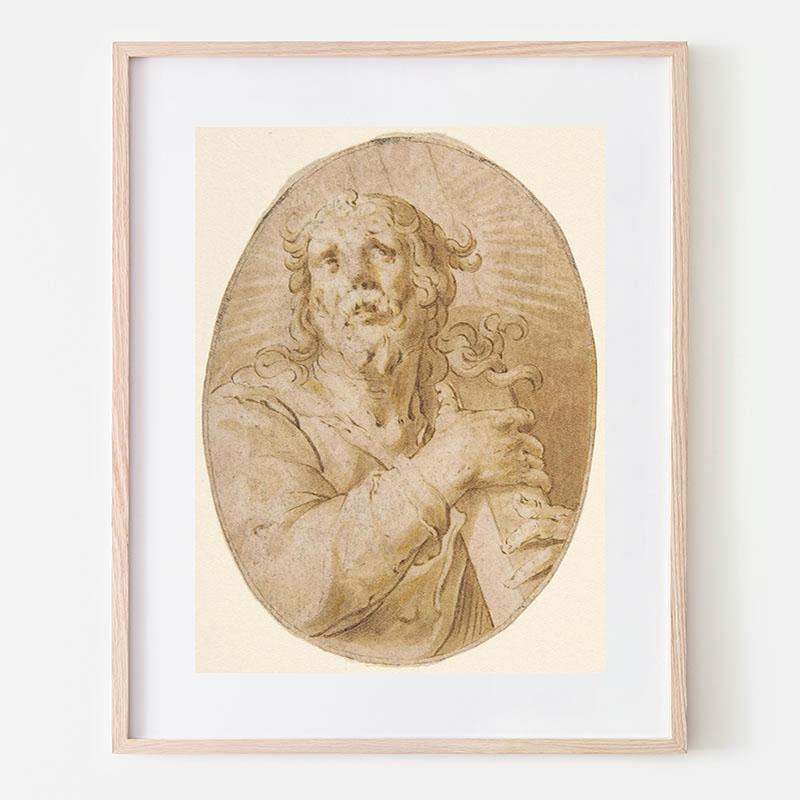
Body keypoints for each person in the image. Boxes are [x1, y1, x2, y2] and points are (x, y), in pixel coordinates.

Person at [205, 190, 569, 664]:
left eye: (381, 251)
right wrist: (447, 467)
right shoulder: (250, 413)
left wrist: (563, 568)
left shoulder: (474, 398)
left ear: (425, 282)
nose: (359, 277)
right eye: (331, 261)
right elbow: (290, 589)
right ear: (310, 303)